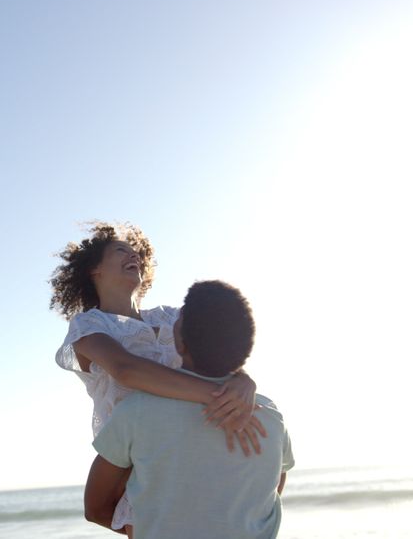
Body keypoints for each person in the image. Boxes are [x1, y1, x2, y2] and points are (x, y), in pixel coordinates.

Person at [52, 222, 266, 534]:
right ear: (94, 268)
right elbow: (127, 370)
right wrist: (217, 394)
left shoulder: (169, 316)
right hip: (142, 461)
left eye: (136, 251)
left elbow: (219, 348)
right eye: (121, 250)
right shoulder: (89, 325)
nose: (133, 255)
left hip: (199, 442)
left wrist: (244, 380)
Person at [84, 280, 294, 539]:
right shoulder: (271, 417)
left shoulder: (136, 413)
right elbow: (272, 491)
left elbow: (95, 509)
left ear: (178, 342)